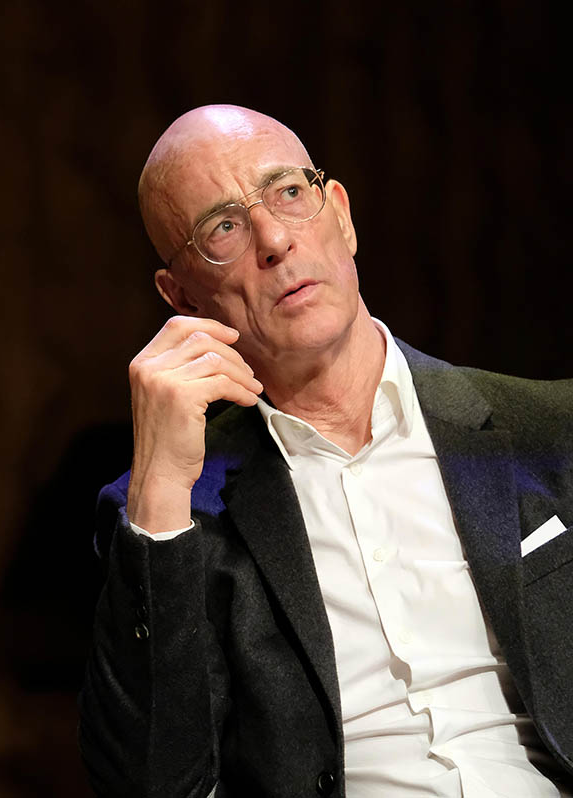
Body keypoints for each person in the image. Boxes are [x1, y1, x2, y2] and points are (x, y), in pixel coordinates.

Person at [79, 104, 573, 797]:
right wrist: (161, 490)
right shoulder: (173, 515)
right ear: (182, 297)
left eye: (288, 192)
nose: (275, 239)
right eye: (223, 226)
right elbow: (152, 783)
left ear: (339, 214)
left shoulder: (553, 430)